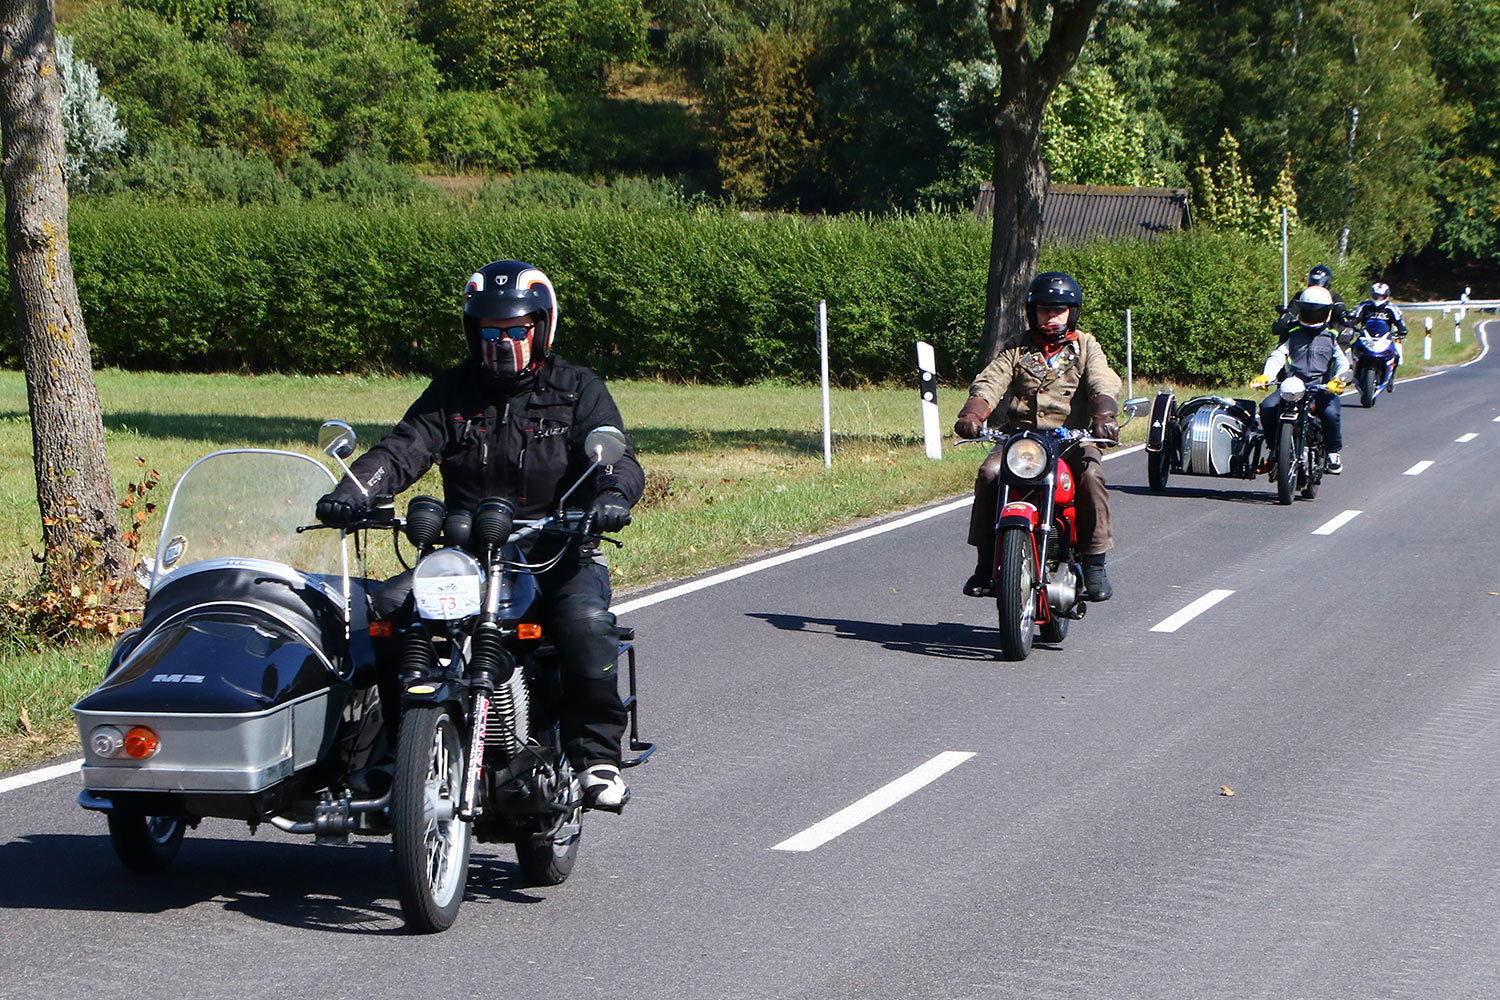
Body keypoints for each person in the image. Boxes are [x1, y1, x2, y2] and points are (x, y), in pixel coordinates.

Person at [315, 260, 645, 811]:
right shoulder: (453, 391)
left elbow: (615, 456)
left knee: (585, 623)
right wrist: (353, 489)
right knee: (384, 614)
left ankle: (596, 758)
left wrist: (610, 497)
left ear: (541, 327)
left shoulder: (577, 388)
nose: (503, 343)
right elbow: (404, 448)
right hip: (467, 552)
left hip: (558, 549)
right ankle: (391, 749)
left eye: (515, 330)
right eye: (491, 332)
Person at [953, 271, 1122, 601]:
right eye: (1045, 310)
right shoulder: (1017, 348)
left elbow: (1103, 380)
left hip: (1072, 438)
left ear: (1072, 312)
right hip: (1022, 439)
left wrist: (1104, 415)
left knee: (1091, 476)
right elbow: (991, 381)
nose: (1052, 317)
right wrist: (972, 413)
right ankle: (985, 563)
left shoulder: (1086, 346)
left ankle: (1094, 563)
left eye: (1059, 310)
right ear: (1033, 312)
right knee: (989, 474)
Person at [1252, 284, 1352, 474]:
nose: (1312, 315)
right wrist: (1267, 375)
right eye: (1308, 310)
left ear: (1327, 312)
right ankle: (1275, 450)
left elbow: (1342, 362)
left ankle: (1333, 452)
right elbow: (1278, 356)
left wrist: (1338, 379)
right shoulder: (1292, 332)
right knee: (1267, 408)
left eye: (1317, 311)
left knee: (1331, 414)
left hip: (1321, 388)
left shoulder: (1332, 336)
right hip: (1292, 386)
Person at [1272, 264, 1350, 344]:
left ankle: (1339, 351)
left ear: (1327, 282)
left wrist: (1343, 314)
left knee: (1343, 334)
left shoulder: (1334, 297)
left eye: (1319, 281)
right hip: (1303, 328)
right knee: (1286, 332)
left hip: (1326, 330)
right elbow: (1292, 309)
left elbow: (1339, 308)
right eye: (1313, 281)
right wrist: (1284, 319)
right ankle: (1281, 350)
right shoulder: (1301, 295)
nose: (1315, 284)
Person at [1350, 281, 1408, 388]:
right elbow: (1354, 319)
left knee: (1396, 355)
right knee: (1352, 348)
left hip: (1384, 338)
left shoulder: (1392, 308)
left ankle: (1391, 377)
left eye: (1381, 296)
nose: (1378, 299)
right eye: (1376, 296)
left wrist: (1402, 331)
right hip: (1366, 337)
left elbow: (1400, 323)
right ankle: (1351, 373)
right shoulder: (1364, 306)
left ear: (1386, 296)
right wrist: (1352, 326)